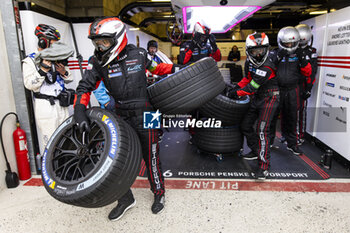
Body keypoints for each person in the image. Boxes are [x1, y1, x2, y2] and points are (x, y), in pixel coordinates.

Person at [73, 17, 182, 221]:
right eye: (96, 42)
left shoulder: (139, 54)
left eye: (104, 41)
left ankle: (159, 193)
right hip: (119, 114)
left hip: (149, 111)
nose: (100, 46)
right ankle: (124, 199)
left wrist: (181, 68)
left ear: (117, 38)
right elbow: (84, 87)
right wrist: (79, 110)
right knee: (117, 161)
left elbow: (158, 69)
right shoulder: (96, 62)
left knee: (152, 155)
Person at [227, 32, 279, 179]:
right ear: (249, 51)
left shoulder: (268, 65)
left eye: (261, 50)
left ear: (266, 49)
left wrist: (237, 94)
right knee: (245, 125)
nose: (258, 54)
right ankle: (257, 151)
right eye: (255, 51)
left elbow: (252, 87)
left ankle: (264, 167)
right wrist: (236, 87)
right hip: (257, 97)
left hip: (270, 97)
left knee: (262, 130)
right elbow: (247, 79)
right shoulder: (249, 62)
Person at [22, 24, 73, 150]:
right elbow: (29, 85)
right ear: (43, 41)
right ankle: (52, 169)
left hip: (61, 104)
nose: (55, 46)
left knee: (67, 138)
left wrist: (63, 72)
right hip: (45, 106)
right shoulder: (30, 61)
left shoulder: (57, 57)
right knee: (51, 143)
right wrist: (43, 70)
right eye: (53, 43)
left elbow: (70, 77)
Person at [269, 26, 312, 155]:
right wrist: (277, 59)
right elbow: (268, 71)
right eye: (286, 43)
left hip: (293, 90)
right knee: (272, 117)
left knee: (291, 117)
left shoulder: (300, 54)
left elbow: (308, 72)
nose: (289, 45)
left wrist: (303, 60)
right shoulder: (274, 53)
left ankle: (292, 143)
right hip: (276, 89)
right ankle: (269, 141)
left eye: (292, 43)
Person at [295, 24, 318, 145]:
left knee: (300, 111)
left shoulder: (312, 52)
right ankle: (289, 134)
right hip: (291, 84)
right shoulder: (290, 50)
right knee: (288, 110)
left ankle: (299, 135)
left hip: (303, 85)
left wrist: (309, 88)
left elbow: (313, 71)